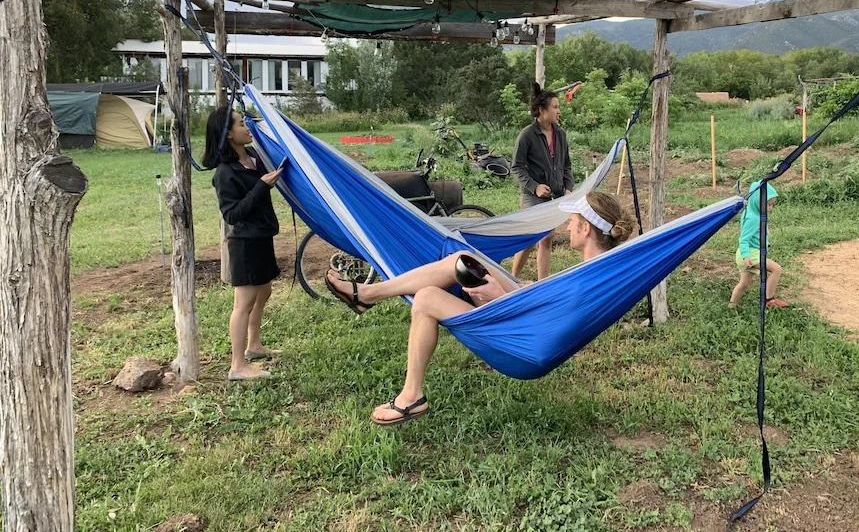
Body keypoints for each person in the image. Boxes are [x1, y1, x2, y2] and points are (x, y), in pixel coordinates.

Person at [324, 191, 635, 426]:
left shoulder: (587, 280)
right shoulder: (595, 271)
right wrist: (521, 288)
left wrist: (499, 295)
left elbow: (546, 327)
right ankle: (369, 294)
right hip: (523, 317)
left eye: (573, 222)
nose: (567, 227)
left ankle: (410, 396)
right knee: (462, 259)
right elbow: (550, 305)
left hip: (524, 344)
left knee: (427, 298)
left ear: (585, 229)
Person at [204, 107, 285, 381]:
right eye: (241, 123)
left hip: (261, 237)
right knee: (243, 303)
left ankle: (254, 346)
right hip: (245, 245)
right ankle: (237, 365)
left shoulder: (253, 157)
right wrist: (261, 186)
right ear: (228, 134)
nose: (247, 126)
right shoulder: (225, 173)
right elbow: (231, 214)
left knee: (264, 292)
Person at [510, 83, 573, 280]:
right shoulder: (527, 135)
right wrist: (535, 186)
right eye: (555, 107)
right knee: (531, 238)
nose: (558, 111)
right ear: (541, 110)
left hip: (554, 194)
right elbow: (516, 167)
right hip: (533, 196)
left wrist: (568, 187)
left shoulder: (560, 134)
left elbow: (567, 165)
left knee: (547, 238)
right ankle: (512, 278)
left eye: (558, 107)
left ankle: (542, 283)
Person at [729, 180, 787, 309]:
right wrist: (746, 256)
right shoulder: (753, 218)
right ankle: (769, 299)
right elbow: (743, 239)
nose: (770, 208)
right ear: (757, 201)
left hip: (748, 253)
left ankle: (731, 306)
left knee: (743, 284)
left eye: (772, 205)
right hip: (750, 253)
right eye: (768, 204)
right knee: (776, 269)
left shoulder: (752, 212)